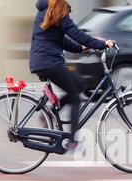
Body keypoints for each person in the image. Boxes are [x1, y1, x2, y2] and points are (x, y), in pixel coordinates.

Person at [29, 0, 115, 150]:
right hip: (51, 62)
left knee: (80, 84)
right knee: (75, 96)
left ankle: (48, 114)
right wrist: (102, 44)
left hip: (40, 62)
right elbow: (77, 34)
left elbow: (63, 41)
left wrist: (82, 47)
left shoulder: (46, 11)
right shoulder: (59, 11)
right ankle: (72, 141)